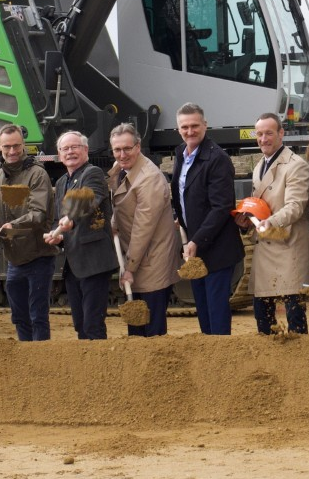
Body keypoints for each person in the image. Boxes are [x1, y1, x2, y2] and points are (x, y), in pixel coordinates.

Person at [245, 113, 309, 336]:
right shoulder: (259, 167)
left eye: (269, 133)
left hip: (290, 246)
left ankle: (301, 364)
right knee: (262, 315)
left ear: (281, 134)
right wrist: (246, 217)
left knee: (294, 315)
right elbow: (260, 204)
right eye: (259, 134)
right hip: (267, 246)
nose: (263, 139)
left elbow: (295, 206)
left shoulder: (296, 166)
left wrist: (269, 222)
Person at [172, 103, 239, 335]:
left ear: (205, 125)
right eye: (184, 127)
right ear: (178, 128)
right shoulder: (181, 153)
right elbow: (181, 193)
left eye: (194, 126)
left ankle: (221, 357)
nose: (190, 131)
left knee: (216, 310)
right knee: (202, 309)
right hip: (196, 246)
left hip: (217, 248)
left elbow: (222, 207)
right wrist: (179, 216)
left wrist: (196, 240)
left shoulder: (217, 159)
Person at [110, 123, 179, 337]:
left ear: (138, 147)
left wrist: (129, 268)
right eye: (117, 150)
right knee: (137, 329)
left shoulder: (149, 178)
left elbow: (143, 229)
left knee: (152, 329)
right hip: (137, 259)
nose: (122, 154)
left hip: (150, 262)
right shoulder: (122, 170)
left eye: (127, 149)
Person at [45, 131, 115, 340]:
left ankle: (100, 367)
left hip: (93, 261)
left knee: (93, 324)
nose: (70, 152)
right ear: (59, 154)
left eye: (74, 147)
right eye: (65, 149)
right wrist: (57, 234)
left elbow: (89, 200)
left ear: (85, 150)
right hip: (73, 263)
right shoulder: (61, 183)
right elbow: (60, 218)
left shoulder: (92, 173)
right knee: (81, 324)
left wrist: (72, 220)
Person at [0, 124, 55, 341]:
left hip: (38, 256)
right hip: (14, 259)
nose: (12, 151)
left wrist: (12, 226)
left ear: (23, 145)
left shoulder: (37, 174)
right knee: (19, 316)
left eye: (16, 145)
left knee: (38, 316)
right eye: (7, 146)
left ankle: (41, 359)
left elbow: (39, 213)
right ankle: (27, 358)